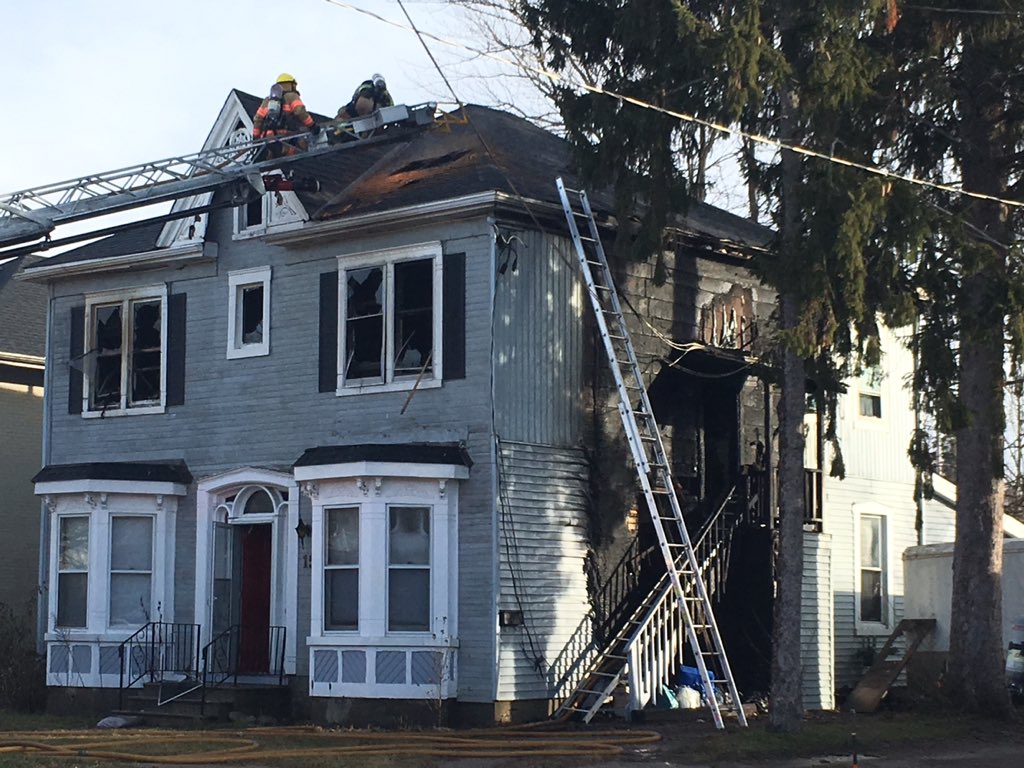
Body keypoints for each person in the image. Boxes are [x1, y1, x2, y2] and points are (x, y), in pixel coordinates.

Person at [252, 73, 320, 156]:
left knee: (272, 163)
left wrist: (255, 138)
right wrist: (312, 126)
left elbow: (258, 119)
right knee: (302, 152)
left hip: (268, 138)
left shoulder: (267, 100)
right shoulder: (292, 96)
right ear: (290, 84)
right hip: (287, 136)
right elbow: (300, 112)